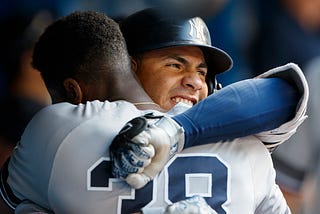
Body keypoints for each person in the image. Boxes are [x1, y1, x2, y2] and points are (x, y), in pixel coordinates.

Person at [0, 10, 306, 213]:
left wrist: (174, 131)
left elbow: (285, 92)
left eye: (202, 72)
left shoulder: (243, 140)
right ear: (128, 67)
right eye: (174, 64)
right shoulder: (247, 139)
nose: (193, 81)